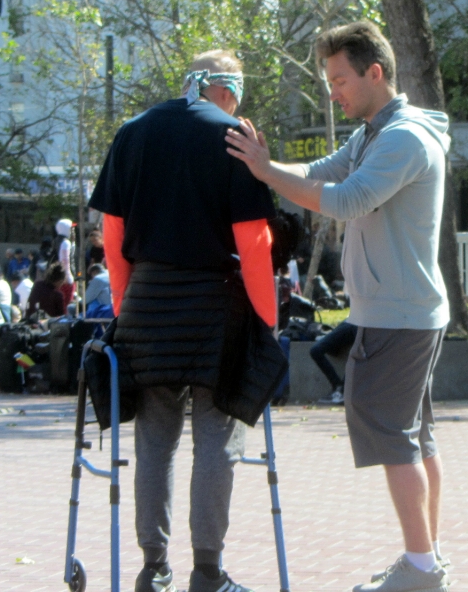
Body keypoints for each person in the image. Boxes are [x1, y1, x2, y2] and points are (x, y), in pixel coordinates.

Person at [226, 21, 450, 592]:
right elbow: (322, 172)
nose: (334, 93)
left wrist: (266, 172)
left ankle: (422, 569)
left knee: (394, 435)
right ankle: (426, 560)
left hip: (396, 315)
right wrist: (267, 164)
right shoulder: (376, 132)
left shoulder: (402, 139)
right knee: (415, 437)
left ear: (375, 73)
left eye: (340, 79)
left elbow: (346, 201)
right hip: (405, 310)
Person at [89, 49, 282, 592]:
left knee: (155, 443)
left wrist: (127, 309)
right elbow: (255, 242)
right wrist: (265, 321)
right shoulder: (234, 138)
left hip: (148, 306)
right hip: (214, 308)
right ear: (229, 89)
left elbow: (112, 235)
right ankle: (208, 571)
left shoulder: (133, 133)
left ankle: (153, 568)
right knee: (217, 441)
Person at [311, 320, 358, 405]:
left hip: (364, 325)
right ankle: (337, 386)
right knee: (315, 350)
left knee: (357, 351)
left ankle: (343, 390)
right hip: (351, 322)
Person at [53, 219, 76, 314]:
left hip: (58, 277)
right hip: (66, 279)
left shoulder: (56, 241)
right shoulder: (65, 243)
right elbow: (65, 261)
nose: (73, 230)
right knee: (66, 305)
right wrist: (68, 278)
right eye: (71, 228)